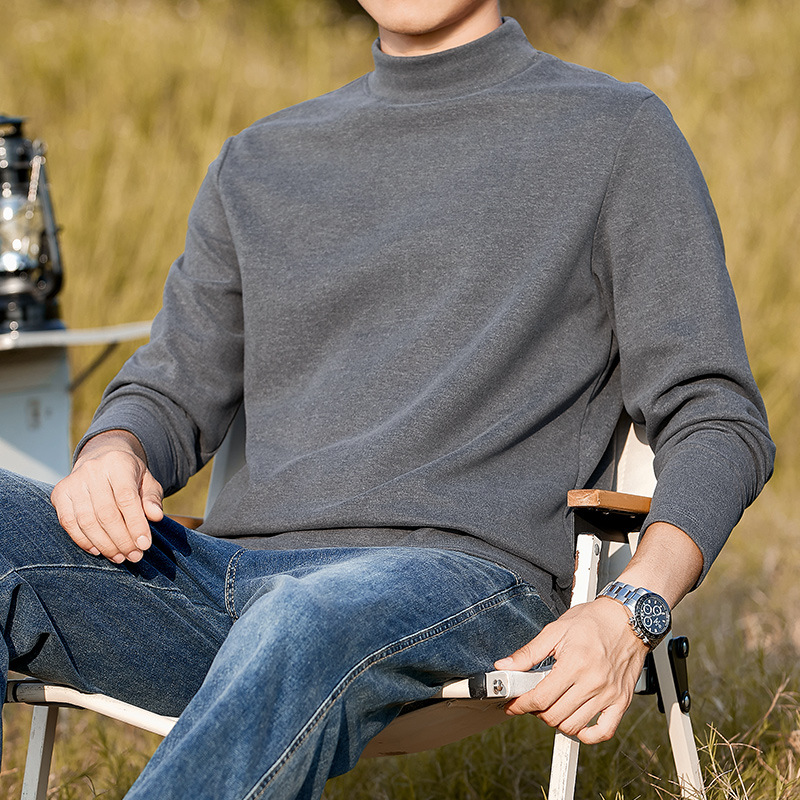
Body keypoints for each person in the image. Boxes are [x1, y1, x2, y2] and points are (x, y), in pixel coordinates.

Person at [0, 1, 774, 798]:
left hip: (454, 578)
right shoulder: (259, 161)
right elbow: (169, 387)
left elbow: (716, 415)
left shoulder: (615, 134)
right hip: (227, 585)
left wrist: (634, 604)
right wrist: (115, 449)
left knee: (304, 614)